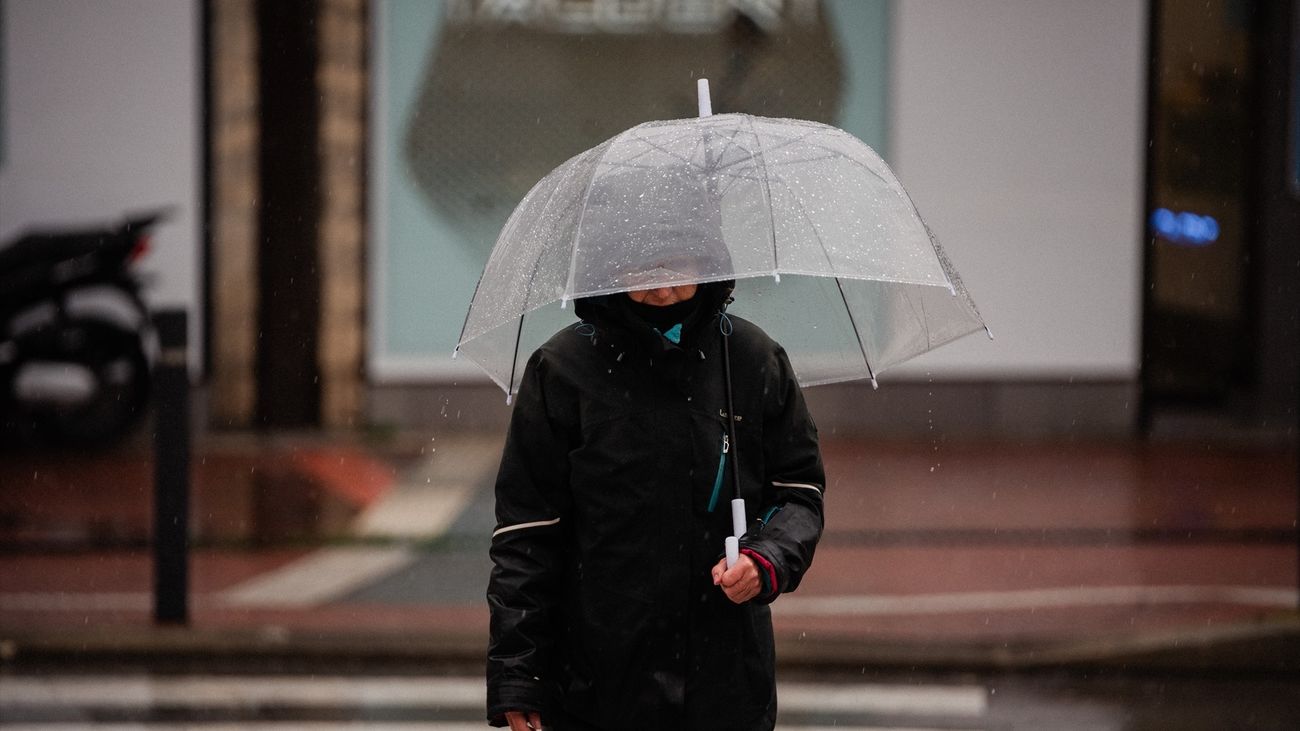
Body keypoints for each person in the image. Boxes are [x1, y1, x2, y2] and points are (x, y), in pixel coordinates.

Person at [486, 276, 825, 731]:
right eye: (644, 272)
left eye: (677, 268)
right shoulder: (562, 369)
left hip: (725, 686)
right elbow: (527, 536)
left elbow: (798, 491)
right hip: (594, 686)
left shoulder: (751, 358)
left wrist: (766, 557)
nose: (663, 291)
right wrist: (519, 676)